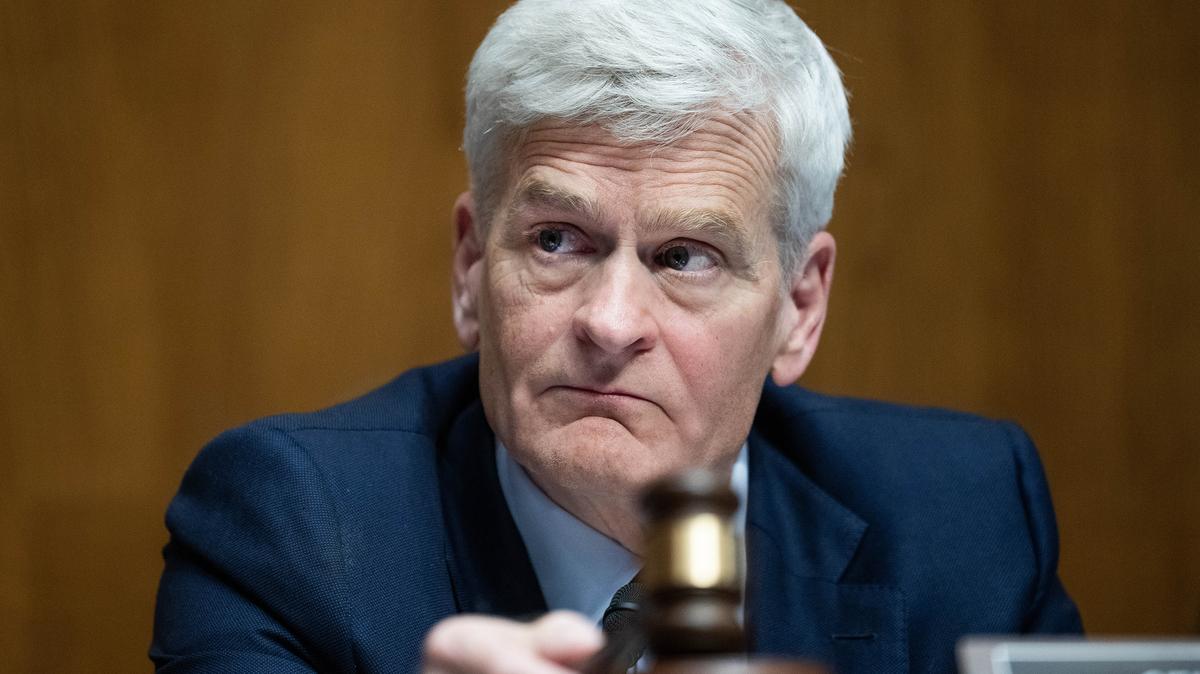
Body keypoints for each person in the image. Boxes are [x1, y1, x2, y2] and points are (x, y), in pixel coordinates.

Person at [151, 1, 1083, 672]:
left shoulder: (966, 519)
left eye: (686, 257)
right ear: (473, 267)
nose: (609, 321)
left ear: (799, 308)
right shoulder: (292, 532)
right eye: (558, 241)